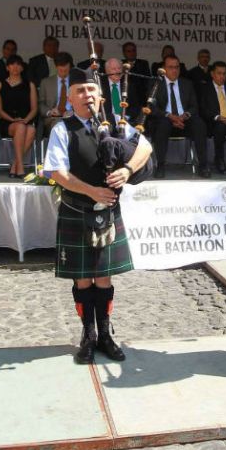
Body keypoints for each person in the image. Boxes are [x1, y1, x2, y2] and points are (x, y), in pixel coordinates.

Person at [43, 68, 152, 364]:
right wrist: (91, 191)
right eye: (80, 90)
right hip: (77, 209)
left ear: (101, 96)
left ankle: (105, 334)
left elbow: (145, 147)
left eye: (91, 90)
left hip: (107, 212)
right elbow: (56, 172)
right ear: (70, 97)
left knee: (103, 277)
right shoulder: (62, 129)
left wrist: (128, 170)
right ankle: (88, 335)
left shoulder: (116, 124)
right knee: (82, 279)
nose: (86, 95)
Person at [149, 55, 210, 178]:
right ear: (164, 68)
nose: (174, 70)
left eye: (177, 67)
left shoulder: (186, 84)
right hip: (165, 119)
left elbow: (194, 106)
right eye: (170, 67)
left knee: (199, 124)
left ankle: (203, 165)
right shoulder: (155, 83)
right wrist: (169, 116)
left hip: (185, 120)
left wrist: (184, 116)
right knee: (162, 124)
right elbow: (151, 108)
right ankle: (160, 165)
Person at [0, 54, 38, 178]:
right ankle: (20, 169)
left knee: (31, 129)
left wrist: (25, 120)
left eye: (18, 64)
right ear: (7, 67)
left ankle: (14, 166)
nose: (15, 67)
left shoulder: (30, 85)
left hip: (25, 120)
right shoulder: (0, 84)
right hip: (8, 122)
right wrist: (13, 119)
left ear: (22, 68)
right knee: (20, 127)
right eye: (12, 64)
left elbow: (34, 108)